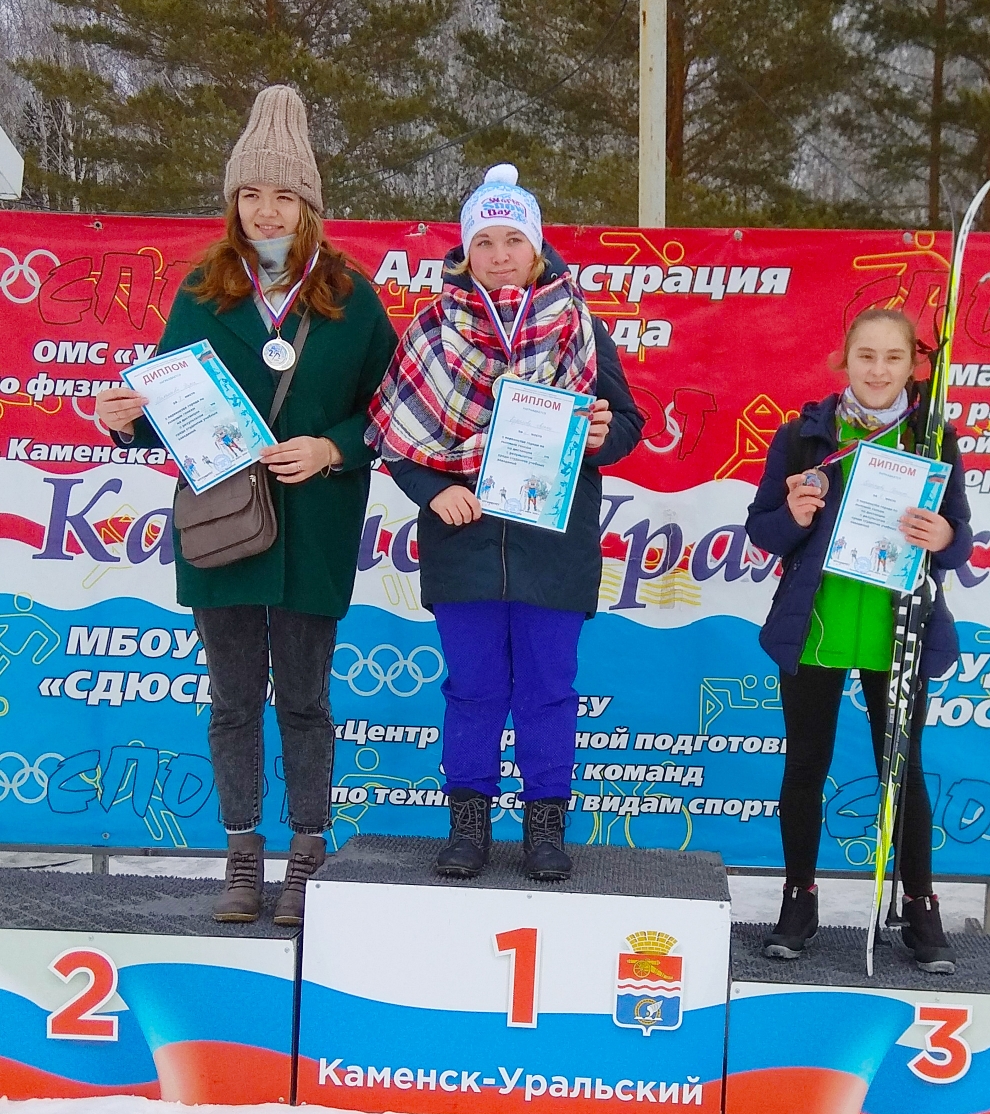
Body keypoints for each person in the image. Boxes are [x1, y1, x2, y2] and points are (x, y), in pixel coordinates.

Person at [95, 85, 397, 926]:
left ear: (310, 206)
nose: (266, 210)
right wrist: (124, 418)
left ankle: (305, 856)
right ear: (233, 202)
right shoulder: (204, 291)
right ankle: (240, 856)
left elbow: (392, 410)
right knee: (232, 702)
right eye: (252, 193)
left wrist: (332, 448)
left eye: (284, 195)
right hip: (223, 526)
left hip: (314, 524)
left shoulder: (353, 296)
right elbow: (169, 405)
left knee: (303, 700)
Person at [368, 163, 644, 881]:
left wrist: (600, 437)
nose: (499, 255)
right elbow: (394, 437)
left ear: (537, 248)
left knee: (549, 690)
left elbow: (626, 423)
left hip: (554, 546)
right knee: (473, 690)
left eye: (512, 240)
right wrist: (433, 490)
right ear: (465, 253)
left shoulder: (580, 326)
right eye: (483, 242)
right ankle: (468, 829)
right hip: (463, 545)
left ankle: (545, 830)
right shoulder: (431, 331)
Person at [744, 308, 972, 973]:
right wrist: (793, 515)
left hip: (897, 632)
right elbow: (763, 530)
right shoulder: (804, 436)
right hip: (818, 627)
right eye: (866, 356)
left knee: (902, 772)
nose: (878, 370)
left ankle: (920, 905)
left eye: (893, 357)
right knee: (805, 766)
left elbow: (957, 539)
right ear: (844, 360)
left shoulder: (932, 437)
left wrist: (944, 537)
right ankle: (798, 898)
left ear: (913, 365)